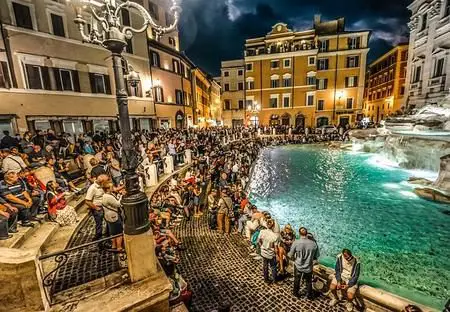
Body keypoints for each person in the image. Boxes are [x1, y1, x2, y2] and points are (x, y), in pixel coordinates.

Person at [288, 227, 319, 300]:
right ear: (307, 233)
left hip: (298, 265)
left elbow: (290, 255)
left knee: (297, 280)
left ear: (299, 233)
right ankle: (309, 295)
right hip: (308, 266)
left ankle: (295, 293)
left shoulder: (296, 242)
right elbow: (316, 256)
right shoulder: (314, 244)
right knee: (308, 281)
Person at [85, 174, 108, 240]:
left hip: (104, 207)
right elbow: (87, 201)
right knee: (99, 224)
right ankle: (98, 238)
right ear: (102, 181)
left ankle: (107, 235)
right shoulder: (92, 188)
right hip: (98, 208)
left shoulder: (102, 185)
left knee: (108, 222)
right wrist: (96, 208)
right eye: (105, 181)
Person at [102, 182, 123, 251]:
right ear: (108, 189)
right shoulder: (108, 197)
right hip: (113, 216)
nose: (113, 188)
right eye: (111, 187)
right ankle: (119, 247)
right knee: (118, 232)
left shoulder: (105, 195)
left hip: (108, 216)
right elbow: (118, 204)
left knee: (113, 232)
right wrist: (121, 196)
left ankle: (114, 245)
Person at [258, 219, 279, 284]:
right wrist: (277, 255)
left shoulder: (262, 231)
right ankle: (274, 280)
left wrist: (262, 246)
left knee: (265, 266)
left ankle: (266, 279)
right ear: (273, 226)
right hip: (270, 254)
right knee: (273, 266)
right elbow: (275, 248)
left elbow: (259, 241)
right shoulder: (275, 236)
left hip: (263, 252)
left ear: (267, 224)